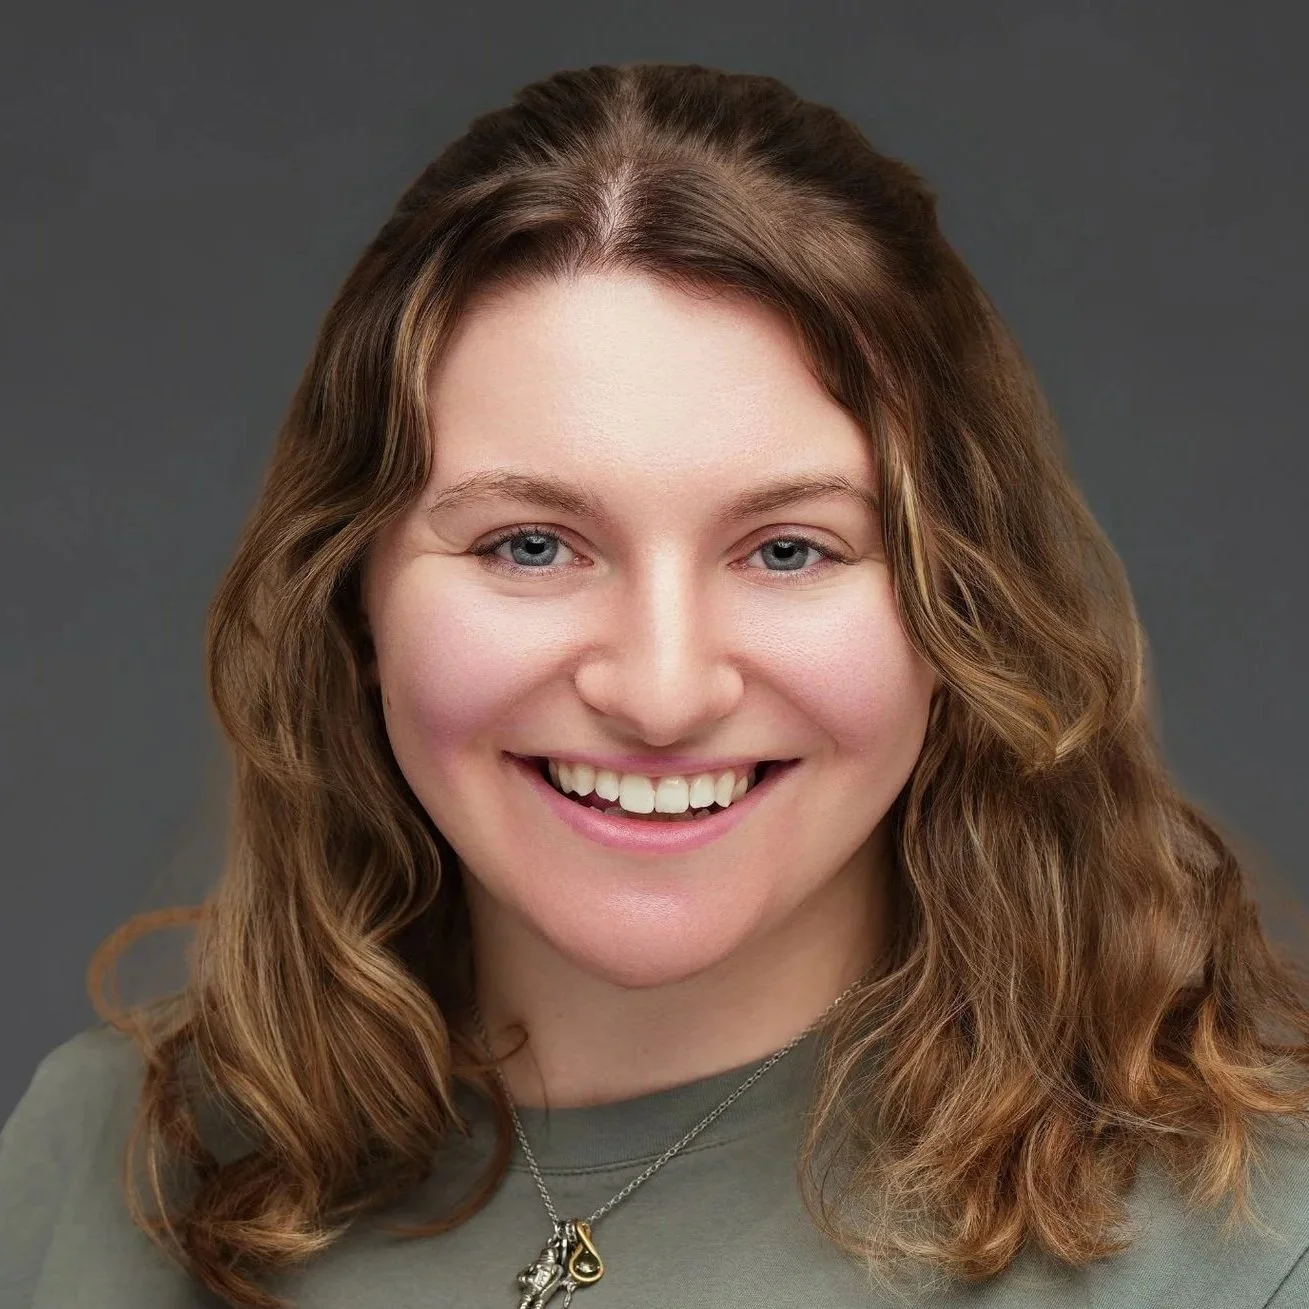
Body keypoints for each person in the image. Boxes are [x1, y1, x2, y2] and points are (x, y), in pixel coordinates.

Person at [2, 60, 1308, 1309]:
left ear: (958, 600)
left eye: (790, 549)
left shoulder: (1256, 1248)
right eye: (530, 545)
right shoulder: (105, 1158)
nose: (663, 691)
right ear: (351, 595)